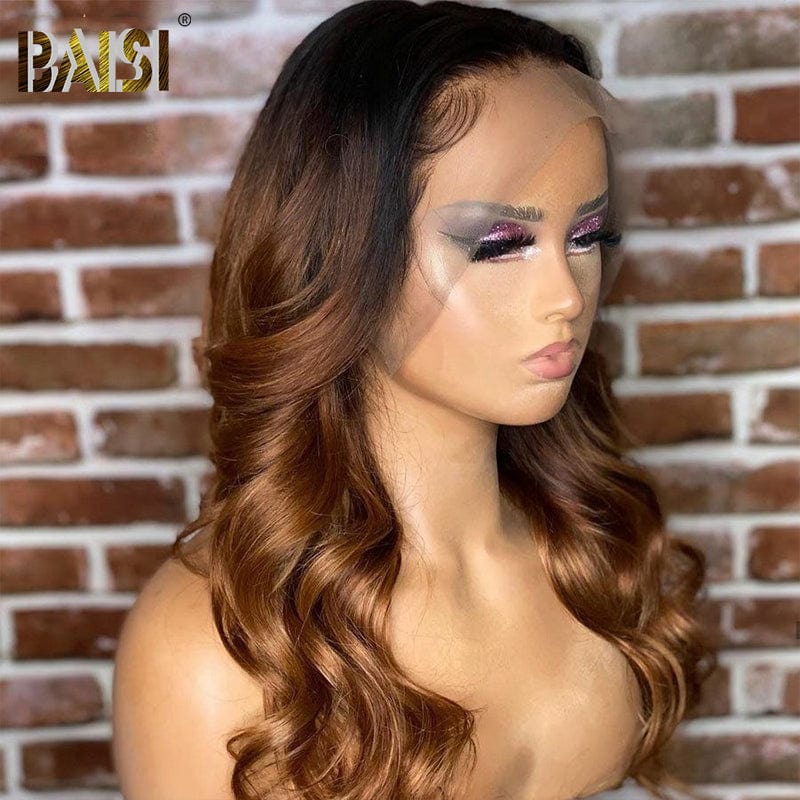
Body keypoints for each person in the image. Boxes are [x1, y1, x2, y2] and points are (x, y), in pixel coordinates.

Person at [111, 2, 716, 799]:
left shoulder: (594, 553)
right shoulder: (210, 649)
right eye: (497, 244)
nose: (566, 295)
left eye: (586, 236)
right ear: (342, 252)